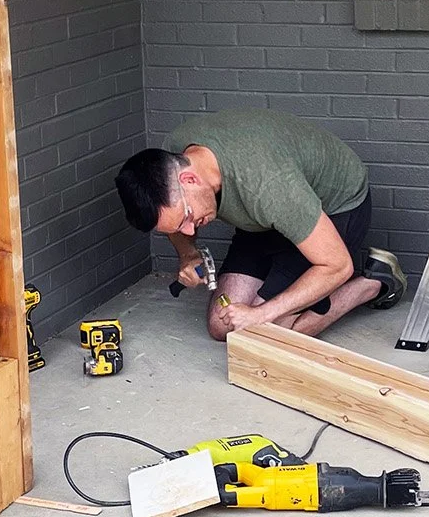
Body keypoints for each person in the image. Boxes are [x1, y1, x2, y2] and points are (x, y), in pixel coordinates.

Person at [114, 108, 405, 342]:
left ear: (189, 179)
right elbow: (176, 223)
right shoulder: (171, 159)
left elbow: (336, 265)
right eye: (178, 228)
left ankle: (372, 281)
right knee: (221, 326)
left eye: (187, 218)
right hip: (266, 218)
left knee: (268, 333)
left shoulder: (268, 185)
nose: (190, 231)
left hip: (333, 209)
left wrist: (261, 314)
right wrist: (188, 254)